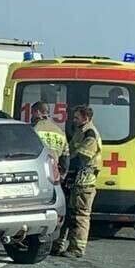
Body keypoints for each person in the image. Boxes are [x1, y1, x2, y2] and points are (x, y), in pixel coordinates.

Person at [53, 105, 102, 258]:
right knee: (68, 214)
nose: (73, 120)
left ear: (85, 118)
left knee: (80, 216)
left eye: (76, 117)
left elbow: (81, 157)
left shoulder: (90, 134)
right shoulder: (80, 132)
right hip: (76, 180)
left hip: (84, 182)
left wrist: (67, 167)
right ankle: (58, 245)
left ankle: (77, 248)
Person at [30, 101, 69, 173]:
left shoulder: (33, 130)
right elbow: (65, 158)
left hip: (38, 170)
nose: (31, 117)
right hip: (54, 172)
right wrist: (63, 174)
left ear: (38, 112)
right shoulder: (60, 132)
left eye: (32, 113)